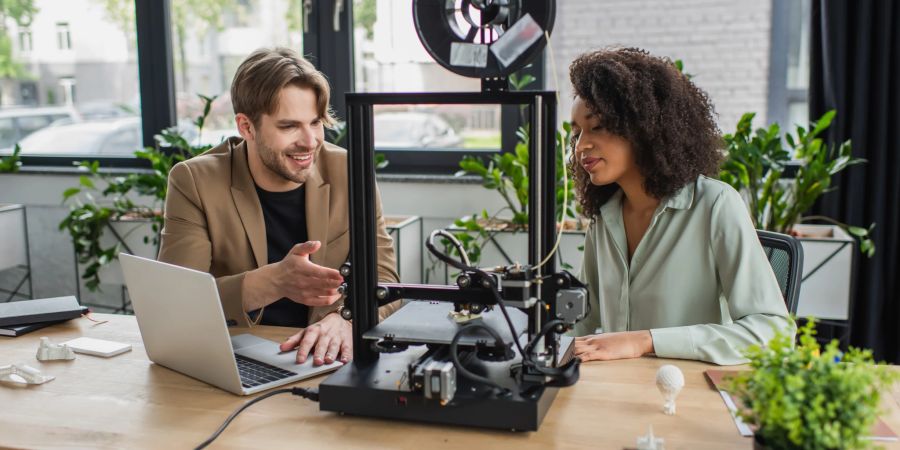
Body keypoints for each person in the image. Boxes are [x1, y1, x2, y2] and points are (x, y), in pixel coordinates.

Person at [158, 47, 399, 367]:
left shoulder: (348, 170)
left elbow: (386, 281)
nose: (310, 140)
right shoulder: (195, 181)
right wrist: (272, 282)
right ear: (246, 127)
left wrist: (346, 319)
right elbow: (176, 301)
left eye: (315, 122)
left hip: (323, 357)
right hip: (232, 358)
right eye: (289, 126)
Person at [567, 47, 794, 365]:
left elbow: (773, 332)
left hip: (686, 397)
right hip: (617, 394)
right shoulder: (604, 219)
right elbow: (583, 324)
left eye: (597, 127)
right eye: (576, 133)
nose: (581, 145)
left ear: (643, 125)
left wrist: (647, 341)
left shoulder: (715, 205)